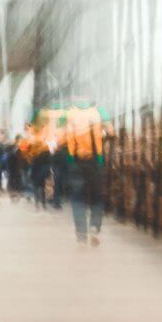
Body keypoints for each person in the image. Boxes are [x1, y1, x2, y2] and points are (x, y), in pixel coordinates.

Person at [65, 100, 107, 245]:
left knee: (78, 197)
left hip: (77, 161)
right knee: (96, 194)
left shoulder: (71, 113)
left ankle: (81, 232)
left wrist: (71, 158)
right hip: (94, 160)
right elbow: (99, 136)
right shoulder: (96, 112)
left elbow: (69, 137)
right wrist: (100, 158)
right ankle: (95, 225)